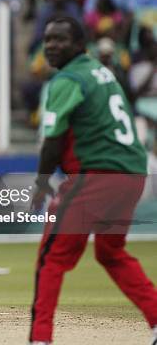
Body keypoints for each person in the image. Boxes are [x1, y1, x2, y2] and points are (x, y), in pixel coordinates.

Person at [28, 17, 157, 344]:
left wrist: (42, 185)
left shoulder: (68, 79)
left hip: (98, 174)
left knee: (51, 257)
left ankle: (40, 338)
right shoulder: (103, 73)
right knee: (111, 252)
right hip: (132, 174)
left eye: (60, 40)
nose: (52, 46)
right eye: (48, 39)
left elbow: (53, 142)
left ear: (79, 44)